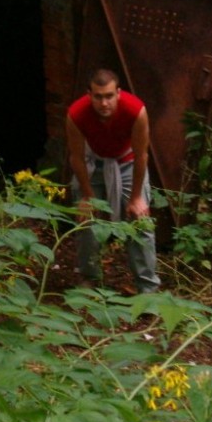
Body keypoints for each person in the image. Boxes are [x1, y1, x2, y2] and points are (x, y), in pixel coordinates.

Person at [66, 68, 161, 293]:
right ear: (89, 95)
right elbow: (76, 158)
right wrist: (88, 196)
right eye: (98, 97)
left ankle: (147, 289)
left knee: (140, 222)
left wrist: (137, 197)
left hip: (127, 162)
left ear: (118, 93)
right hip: (94, 163)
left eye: (109, 96)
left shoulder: (135, 110)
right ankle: (89, 279)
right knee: (87, 219)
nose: (104, 103)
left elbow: (142, 156)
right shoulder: (76, 114)